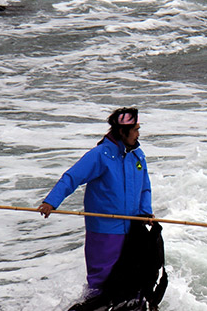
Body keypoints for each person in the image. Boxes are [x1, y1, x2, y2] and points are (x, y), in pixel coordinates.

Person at [38, 107, 153, 293]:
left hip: (132, 227)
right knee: (101, 280)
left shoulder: (137, 155)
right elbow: (72, 177)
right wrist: (51, 202)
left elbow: (145, 188)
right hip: (104, 230)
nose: (138, 134)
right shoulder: (100, 155)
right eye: (136, 130)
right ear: (123, 132)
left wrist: (145, 212)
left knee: (131, 278)